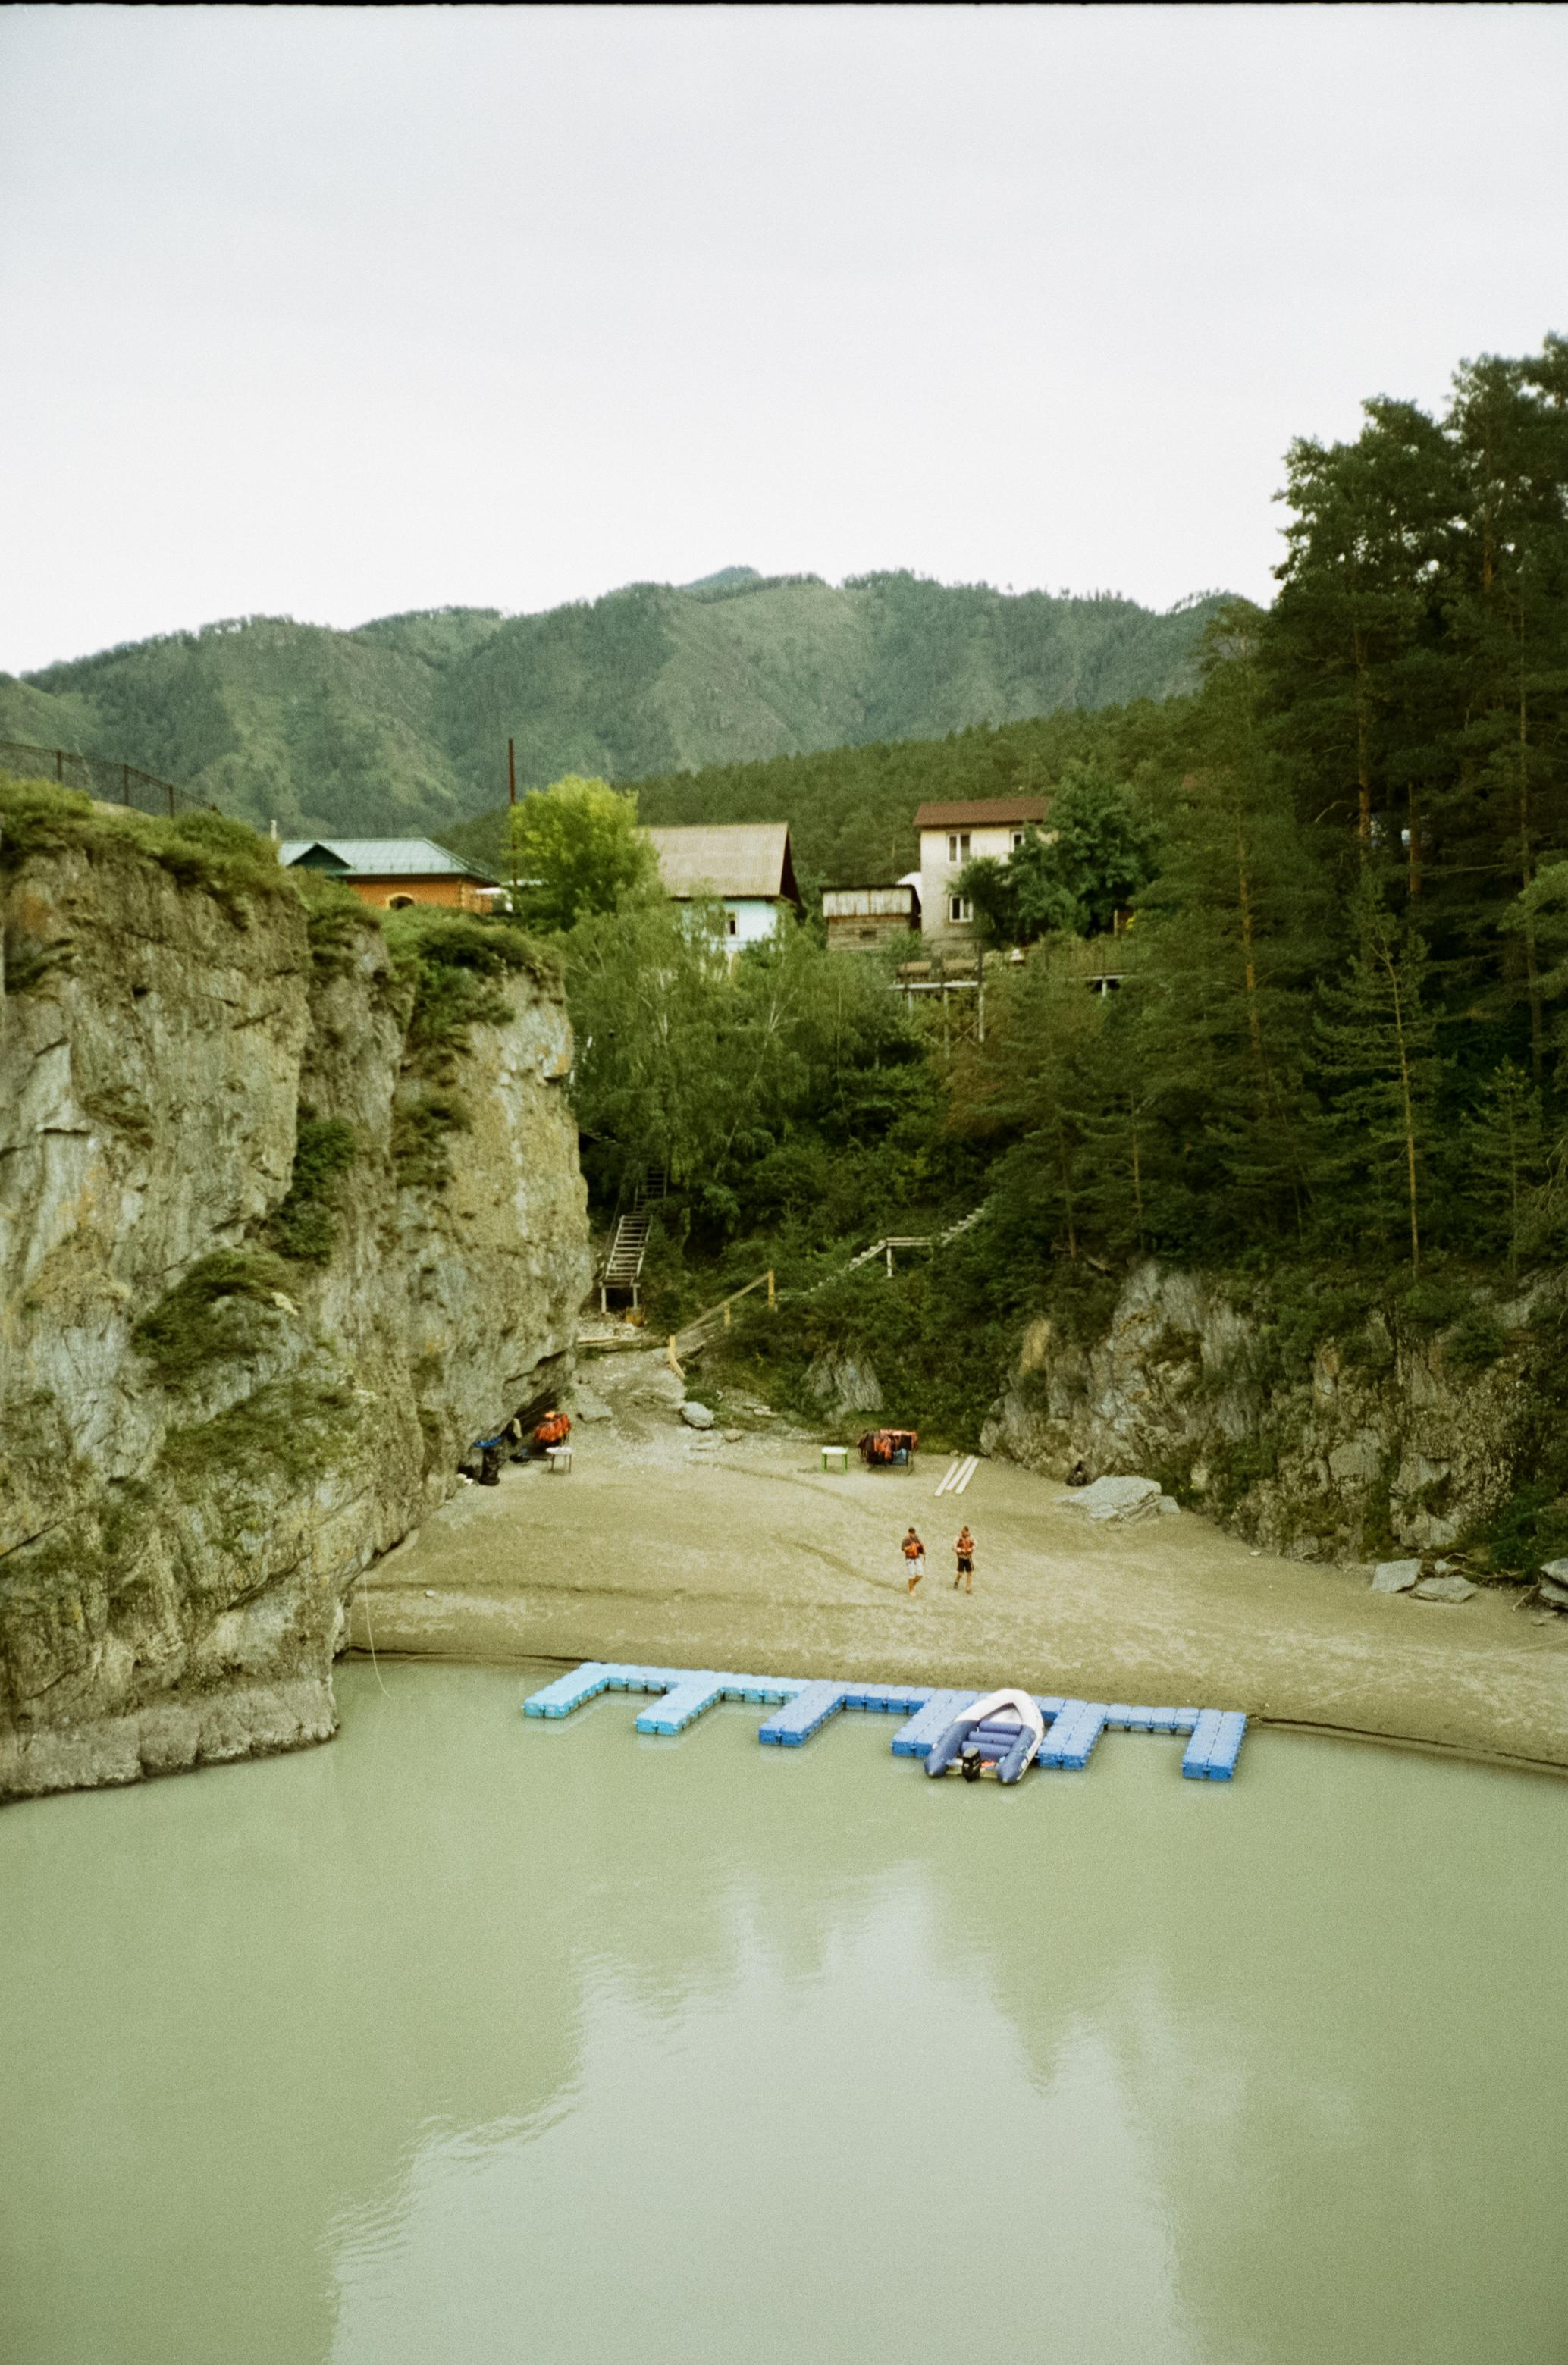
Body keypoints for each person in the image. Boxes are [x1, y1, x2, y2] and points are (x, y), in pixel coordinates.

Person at [902, 1526, 925, 1592]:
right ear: (909, 1533)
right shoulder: (906, 1539)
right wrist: (910, 1547)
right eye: (912, 1533)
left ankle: (911, 1585)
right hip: (909, 1559)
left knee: (920, 1574)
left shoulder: (916, 1538)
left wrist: (922, 1549)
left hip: (917, 1558)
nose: (913, 1534)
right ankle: (911, 1590)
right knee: (911, 1574)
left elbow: (920, 1545)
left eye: (914, 1533)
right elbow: (903, 1548)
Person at [953, 1525, 975, 1592]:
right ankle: (957, 1580)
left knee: (969, 1573)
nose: (963, 1532)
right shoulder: (958, 1537)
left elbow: (975, 1545)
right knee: (960, 1574)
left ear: (967, 1532)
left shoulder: (971, 1537)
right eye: (963, 1531)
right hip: (961, 1557)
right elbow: (954, 1546)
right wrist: (959, 1550)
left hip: (968, 1557)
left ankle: (968, 1587)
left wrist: (971, 1549)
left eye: (965, 1532)